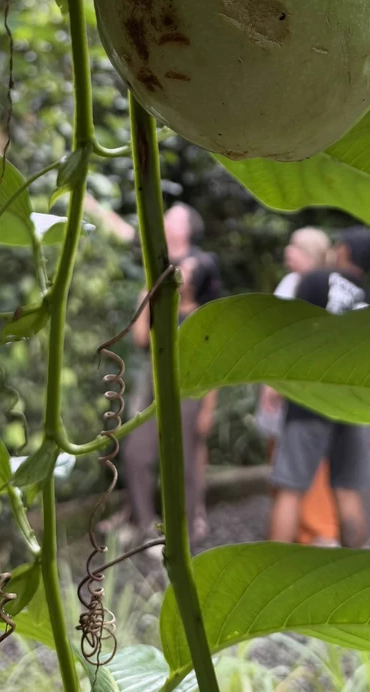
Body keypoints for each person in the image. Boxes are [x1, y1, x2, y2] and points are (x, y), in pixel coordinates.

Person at [268, 227, 370, 548]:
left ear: (345, 251)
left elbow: (294, 336)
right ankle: (354, 571)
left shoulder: (316, 280)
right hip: (356, 404)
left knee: (291, 488)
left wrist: (276, 383)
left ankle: (272, 572)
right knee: (347, 490)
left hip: (311, 397)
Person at [120, 203, 221, 547]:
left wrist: (209, 404)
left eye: (172, 217)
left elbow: (215, 353)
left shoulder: (202, 264)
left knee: (184, 457)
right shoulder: (156, 266)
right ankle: (145, 525)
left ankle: (187, 531)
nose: (163, 219)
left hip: (190, 378)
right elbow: (137, 338)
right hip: (154, 376)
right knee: (136, 451)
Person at [258, 227, 339, 545]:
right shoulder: (290, 283)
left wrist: (280, 382)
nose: (287, 252)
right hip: (279, 381)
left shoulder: (320, 286)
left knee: (306, 462)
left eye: (296, 247)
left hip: (301, 389)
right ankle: (293, 529)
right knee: (281, 459)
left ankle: (315, 531)